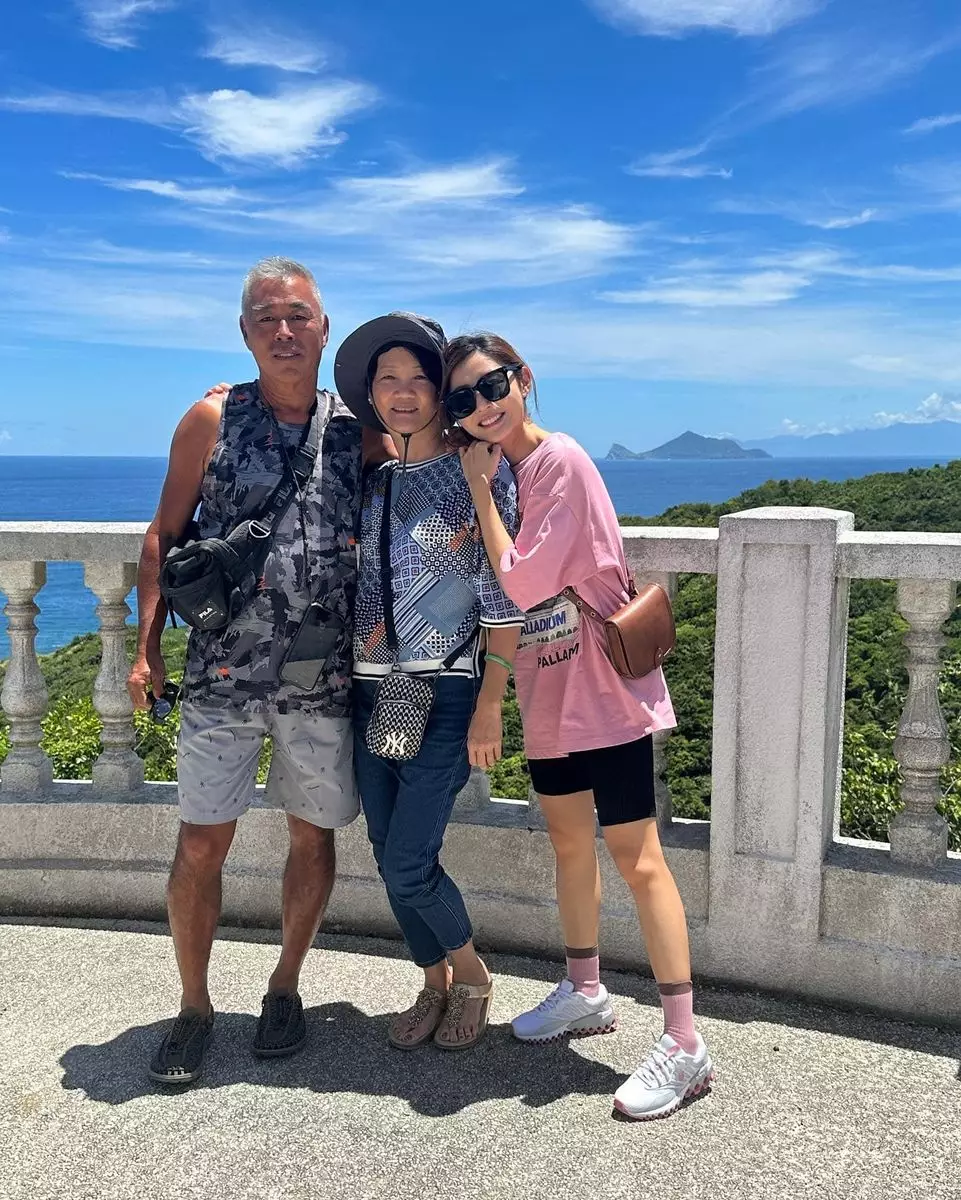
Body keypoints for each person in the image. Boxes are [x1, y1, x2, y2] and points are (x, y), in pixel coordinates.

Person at [128, 256, 386, 1085]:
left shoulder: (359, 429)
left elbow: (434, 464)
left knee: (312, 835)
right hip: (220, 675)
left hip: (322, 679)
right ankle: (193, 1007)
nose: (284, 331)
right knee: (202, 841)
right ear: (244, 333)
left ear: (323, 328)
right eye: (267, 317)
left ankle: (284, 986)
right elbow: (163, 535)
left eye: (298, 315)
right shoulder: (211, 417)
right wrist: (145, 646)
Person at [445, 332, 715, 1118]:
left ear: (523, 379)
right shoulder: (509, 474)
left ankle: (685, 1042)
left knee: (638, 860)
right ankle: (585, 990)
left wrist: (476, 492)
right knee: (568, 843)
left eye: (491, 385)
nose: (481, 406)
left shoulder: (557, 461)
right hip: (548, 692)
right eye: (462, 399)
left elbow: (523, 582)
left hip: (601, 692)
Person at [333, 313, 523, 1051]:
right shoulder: (373, 481)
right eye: (389, 379)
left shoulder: (477, 473)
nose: (405, 392)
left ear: (442, 394)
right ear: (372, 394)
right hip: (372, 691)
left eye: (420, 379)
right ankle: (432, 980)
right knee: (387, 852)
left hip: (444, 692)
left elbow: (503, 594)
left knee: (410, 862)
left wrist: (491, 702)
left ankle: (470, 974)